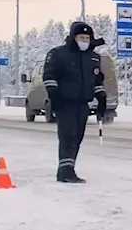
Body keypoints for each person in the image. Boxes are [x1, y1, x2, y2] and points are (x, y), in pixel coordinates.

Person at [39, 20, 108, 183]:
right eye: (81, 37)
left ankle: (69, 168)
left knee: (77, 136)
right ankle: (65, 172)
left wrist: (101, 98)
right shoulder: (58, 54)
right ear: (73, 37)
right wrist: (54, 95)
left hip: (82, 103)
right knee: (67, 136)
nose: (84, 40)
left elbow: (97, 80)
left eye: (87, 38)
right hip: (65, 102)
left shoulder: (93, 57)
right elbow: (49, 76)